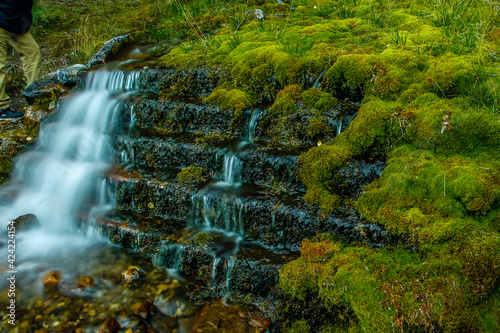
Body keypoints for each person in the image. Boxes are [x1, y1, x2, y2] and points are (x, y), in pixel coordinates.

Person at [0, 0, 41, 120]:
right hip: (3, 20)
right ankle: (1, 108)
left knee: (32, 51)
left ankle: (33, 95)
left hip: (17, 24)